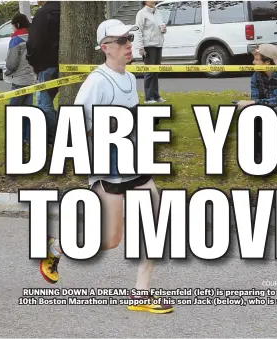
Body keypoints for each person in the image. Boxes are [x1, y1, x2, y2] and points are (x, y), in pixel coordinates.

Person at [39, 19, 174, 315]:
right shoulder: (97, 82)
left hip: (136, 165)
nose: (129, 44)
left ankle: (141, 295)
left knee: (156, 224)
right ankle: (58, 247)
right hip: (108, 170)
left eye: (130, 39)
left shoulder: (127, 76)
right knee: (111, 241)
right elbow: (74, 125)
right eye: (122, 41)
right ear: (105, 48)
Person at [236, 44, 277, 163]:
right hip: (267, 112)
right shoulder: (256, 76)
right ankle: (257, 155)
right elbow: (255, 101)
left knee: (276, 111)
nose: (253, 62)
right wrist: (250, 106)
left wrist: (254, 103)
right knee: (247, 114)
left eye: (256, 59)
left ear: (267, 62)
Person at [26, 0, 61, 145]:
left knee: (44, 103)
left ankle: (52, 138)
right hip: (61, 63)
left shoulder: (43, 14)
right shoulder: (62, 10)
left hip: (46, 65)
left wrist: (33, 62)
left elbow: (34, 43)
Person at [3, 13, 36, 144]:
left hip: (18, 81)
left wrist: (6, 72)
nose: (12, 30)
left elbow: (11, 63)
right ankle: (27, 138)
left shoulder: (15, 40)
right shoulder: (32, 38)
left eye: (13, 27)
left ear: (17, 25)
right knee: (28, 112)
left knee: (14, 112)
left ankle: (15, 140)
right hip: (30, 80)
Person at [134, 1, 167, 104]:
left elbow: (160, 27)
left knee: (156, 72)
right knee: (149, 72)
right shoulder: (141, 13)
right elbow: (138, 30)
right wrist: (140, 47)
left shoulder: (157, 12)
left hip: (158, 44)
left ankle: (156, 96)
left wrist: (163, 29)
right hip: (148, 46)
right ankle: (148, 98)